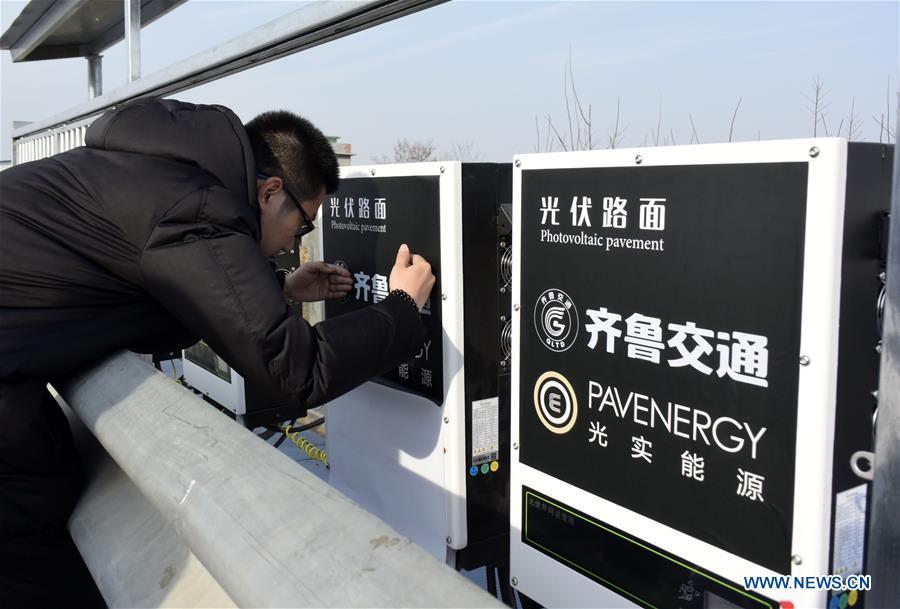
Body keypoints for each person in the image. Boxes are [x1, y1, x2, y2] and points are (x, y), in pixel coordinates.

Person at [0, 97, 435, 607]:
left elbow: (163, 285)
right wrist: (404, 310)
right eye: (302, 224)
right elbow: (296, 370)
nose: (294, 240)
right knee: (33, 512)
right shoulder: (199, 208)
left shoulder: (159, 170)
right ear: (272, 191)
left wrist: (278, 287)